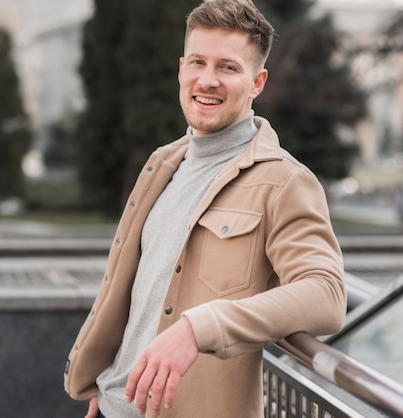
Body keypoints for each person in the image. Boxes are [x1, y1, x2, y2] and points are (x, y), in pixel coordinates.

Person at [64, 1, 347, 417]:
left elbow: (327, 294)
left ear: (257, 82)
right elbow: (138, 291)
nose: (207, 80)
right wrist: (106, 377)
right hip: (111, 405)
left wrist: (202, 327)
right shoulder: (162, 163)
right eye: (198, 62)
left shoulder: (285, 181)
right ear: (181, 69)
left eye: (229, 68)